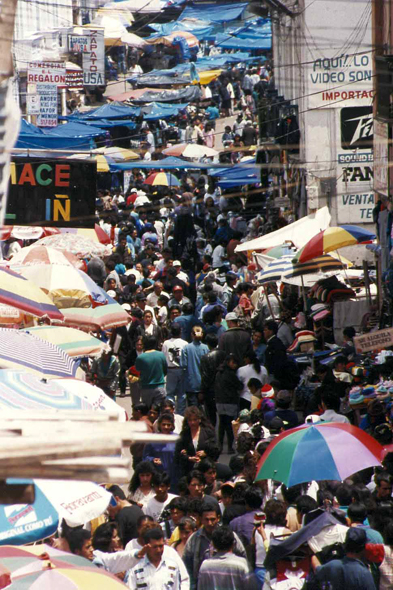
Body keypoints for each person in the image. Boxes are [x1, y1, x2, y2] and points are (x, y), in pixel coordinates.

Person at [183, 505, 246, 590]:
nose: (210, 523)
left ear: (218, 518)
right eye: (206, 519)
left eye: (212, 519)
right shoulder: (194, 539)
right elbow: (187, 564)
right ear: (201, 519)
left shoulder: (230, 536)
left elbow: (243, 556)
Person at [312, 527, 376, 590]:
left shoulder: (333, 565)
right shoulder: (364, 574)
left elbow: (317, 569)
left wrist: (312, 554)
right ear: (363, 548)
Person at [174, 406, 216, 478]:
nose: (192, 422)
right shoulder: (184, 435)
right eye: (190, 420)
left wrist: (206, 453)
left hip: (205, 469)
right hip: (189, 470)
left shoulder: (208, 432)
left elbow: (216, 448)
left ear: (199, 420)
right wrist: (189, 458)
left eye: (195, 420)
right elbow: (177, 454)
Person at [215, 354, 243, 454]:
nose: (235, 365)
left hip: (219, 402)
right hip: (230, 402)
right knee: (229, 425)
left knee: (221, 425)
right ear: (228, 362)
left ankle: (220, 446)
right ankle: (230, 447)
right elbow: (239, 386)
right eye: (233, 362)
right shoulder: (231, 374)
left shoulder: (218, 373)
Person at [200, 333, 226, 426]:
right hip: (222, 388)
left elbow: (205, 376)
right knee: (224, 416)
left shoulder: (205, 357)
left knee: (211, 416)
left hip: (210, 390)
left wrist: (202, 391)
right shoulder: (224, 354)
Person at [162, 324, 188, 415]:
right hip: (182, 369)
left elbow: (164, 356)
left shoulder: (166, 343)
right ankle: (180, 413)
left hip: (170, 369)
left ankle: (170, 411)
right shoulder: (185, 343)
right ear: (180, 332)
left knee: (170, 393)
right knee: (181, 393)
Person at [135, 335, 167, 407]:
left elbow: (137, 372)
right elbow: (165, 371)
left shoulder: (140, 357)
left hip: (146, 389)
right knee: (160, 410)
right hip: (159, 387)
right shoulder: (161, 355)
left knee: (148, 411)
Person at [181, 326, 209, 407]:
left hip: (191, 383)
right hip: (203, 384)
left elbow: (183, 364)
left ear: (192, 335)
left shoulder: (186, 348)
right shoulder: (206, 348)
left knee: (193, 409)